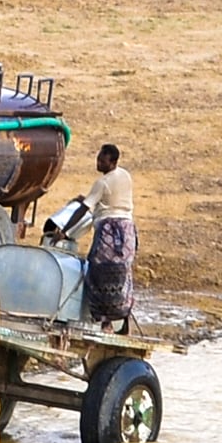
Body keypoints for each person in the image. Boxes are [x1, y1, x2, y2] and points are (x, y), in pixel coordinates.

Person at [79, 143, 137, 333]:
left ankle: (106, 323)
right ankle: (125, 321)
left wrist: (64, 231)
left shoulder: (102, 183)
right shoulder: (125, 175)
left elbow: (85, 208)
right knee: (123, 273)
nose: (98, 163)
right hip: (127, 232)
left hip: (109, 233)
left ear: (112, 162)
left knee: (99, 272)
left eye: (102, 161)